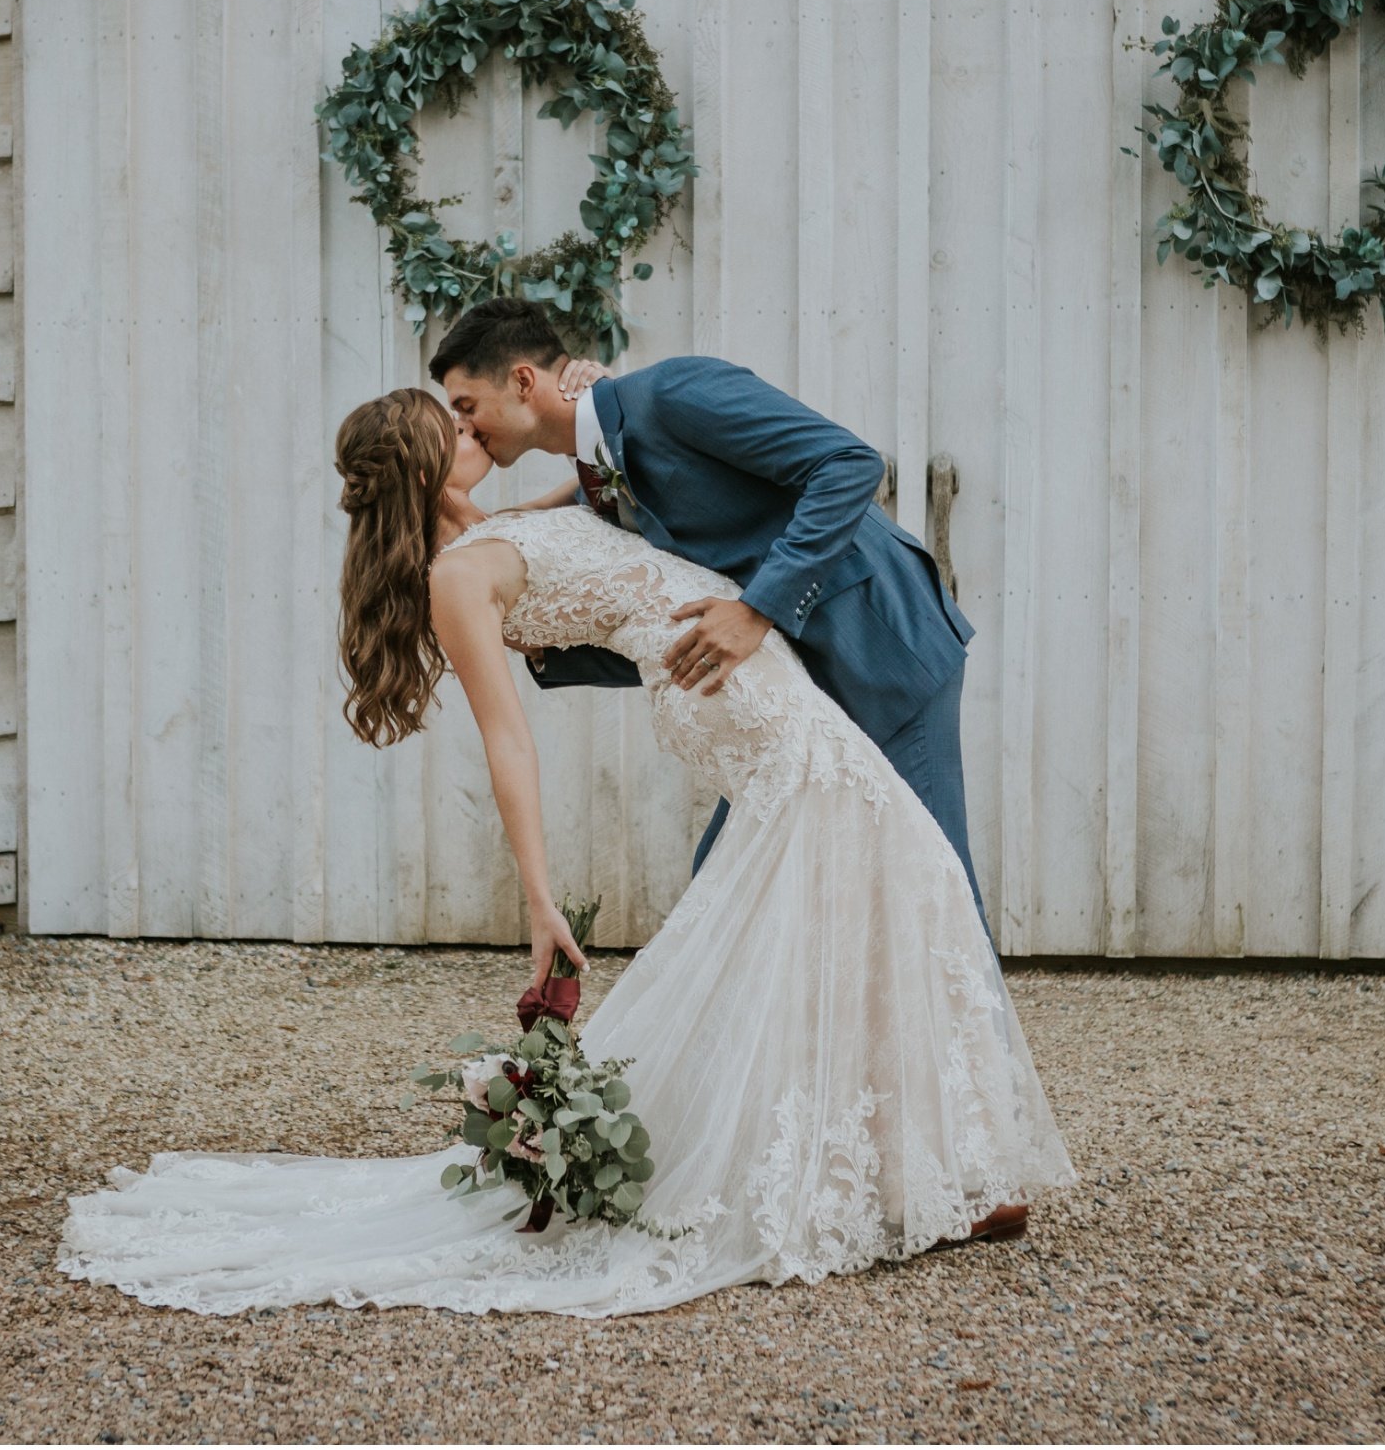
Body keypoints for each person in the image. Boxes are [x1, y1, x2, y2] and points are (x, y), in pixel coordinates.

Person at [56, 385, 1076, 1319]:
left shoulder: (508, 526)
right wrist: (538, 900)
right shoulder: (457, 578)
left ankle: (921, 1167)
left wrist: (578, 411)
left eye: (468, 411)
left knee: (874, 891)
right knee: (890, 877)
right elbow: (507, 738)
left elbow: (602, 506)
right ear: (423, 461)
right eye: (450, 425)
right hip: (739, 703)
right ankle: (917, 1174)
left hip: (751, 684)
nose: (472, 427)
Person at [430, 297, 990, 936]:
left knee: (934, 888)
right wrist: (536, 638)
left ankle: (978, 1040)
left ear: (523, 381)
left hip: (882, 645)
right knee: (729, 893)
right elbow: (661, 610)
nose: (464, 425)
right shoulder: (594, 473)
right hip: (793, 688)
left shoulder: (671, 392)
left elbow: (848, 464)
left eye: (466, 405)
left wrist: (757, 609)